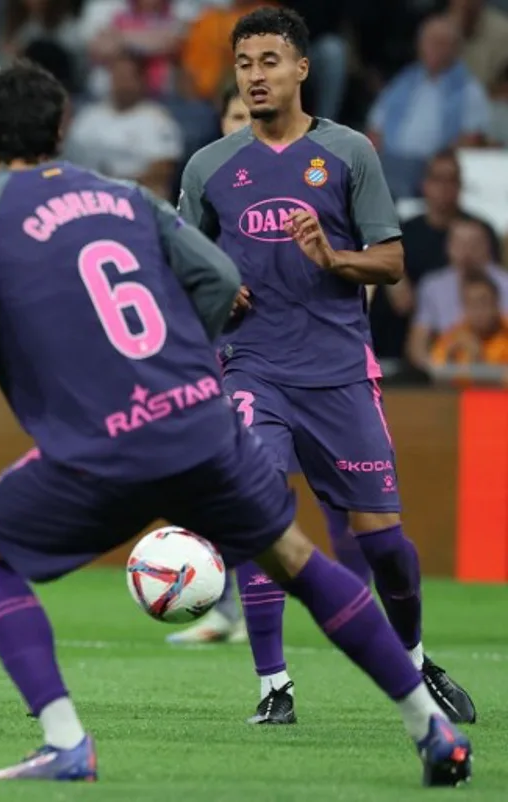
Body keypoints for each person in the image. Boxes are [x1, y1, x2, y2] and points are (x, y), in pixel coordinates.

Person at [0, 58, 472, 787]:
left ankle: (65, 742)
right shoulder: (125, 197)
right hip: (201, 425)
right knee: (298, 558)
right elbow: (218, 281)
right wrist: (179, 358)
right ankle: (429, 729)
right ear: (62, 129)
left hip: (101, 444)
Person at [177, 7, 475, 725]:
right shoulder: (209, 166)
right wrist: (218, 288)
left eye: (270, 61)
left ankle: (411, 661)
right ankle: (272, 685)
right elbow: (181, 266)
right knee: (260, 515)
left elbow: (394, 262)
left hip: (340, 372)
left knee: (386, 544)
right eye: (245, 63)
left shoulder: (348, 154)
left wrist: (333, 257)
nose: (256, 75)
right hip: (252, 369)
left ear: (301, 69)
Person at [167, 85, 370, 646]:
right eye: (231, 116)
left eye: (245, 115)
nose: (241, 125)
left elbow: (364, 257)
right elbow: (180, 266)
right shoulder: (209, 180)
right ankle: (229, 608)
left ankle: (356, 604)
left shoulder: (324, 166)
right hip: (233, 358)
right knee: (237, 488)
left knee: (339, 496)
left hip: (321, 358)